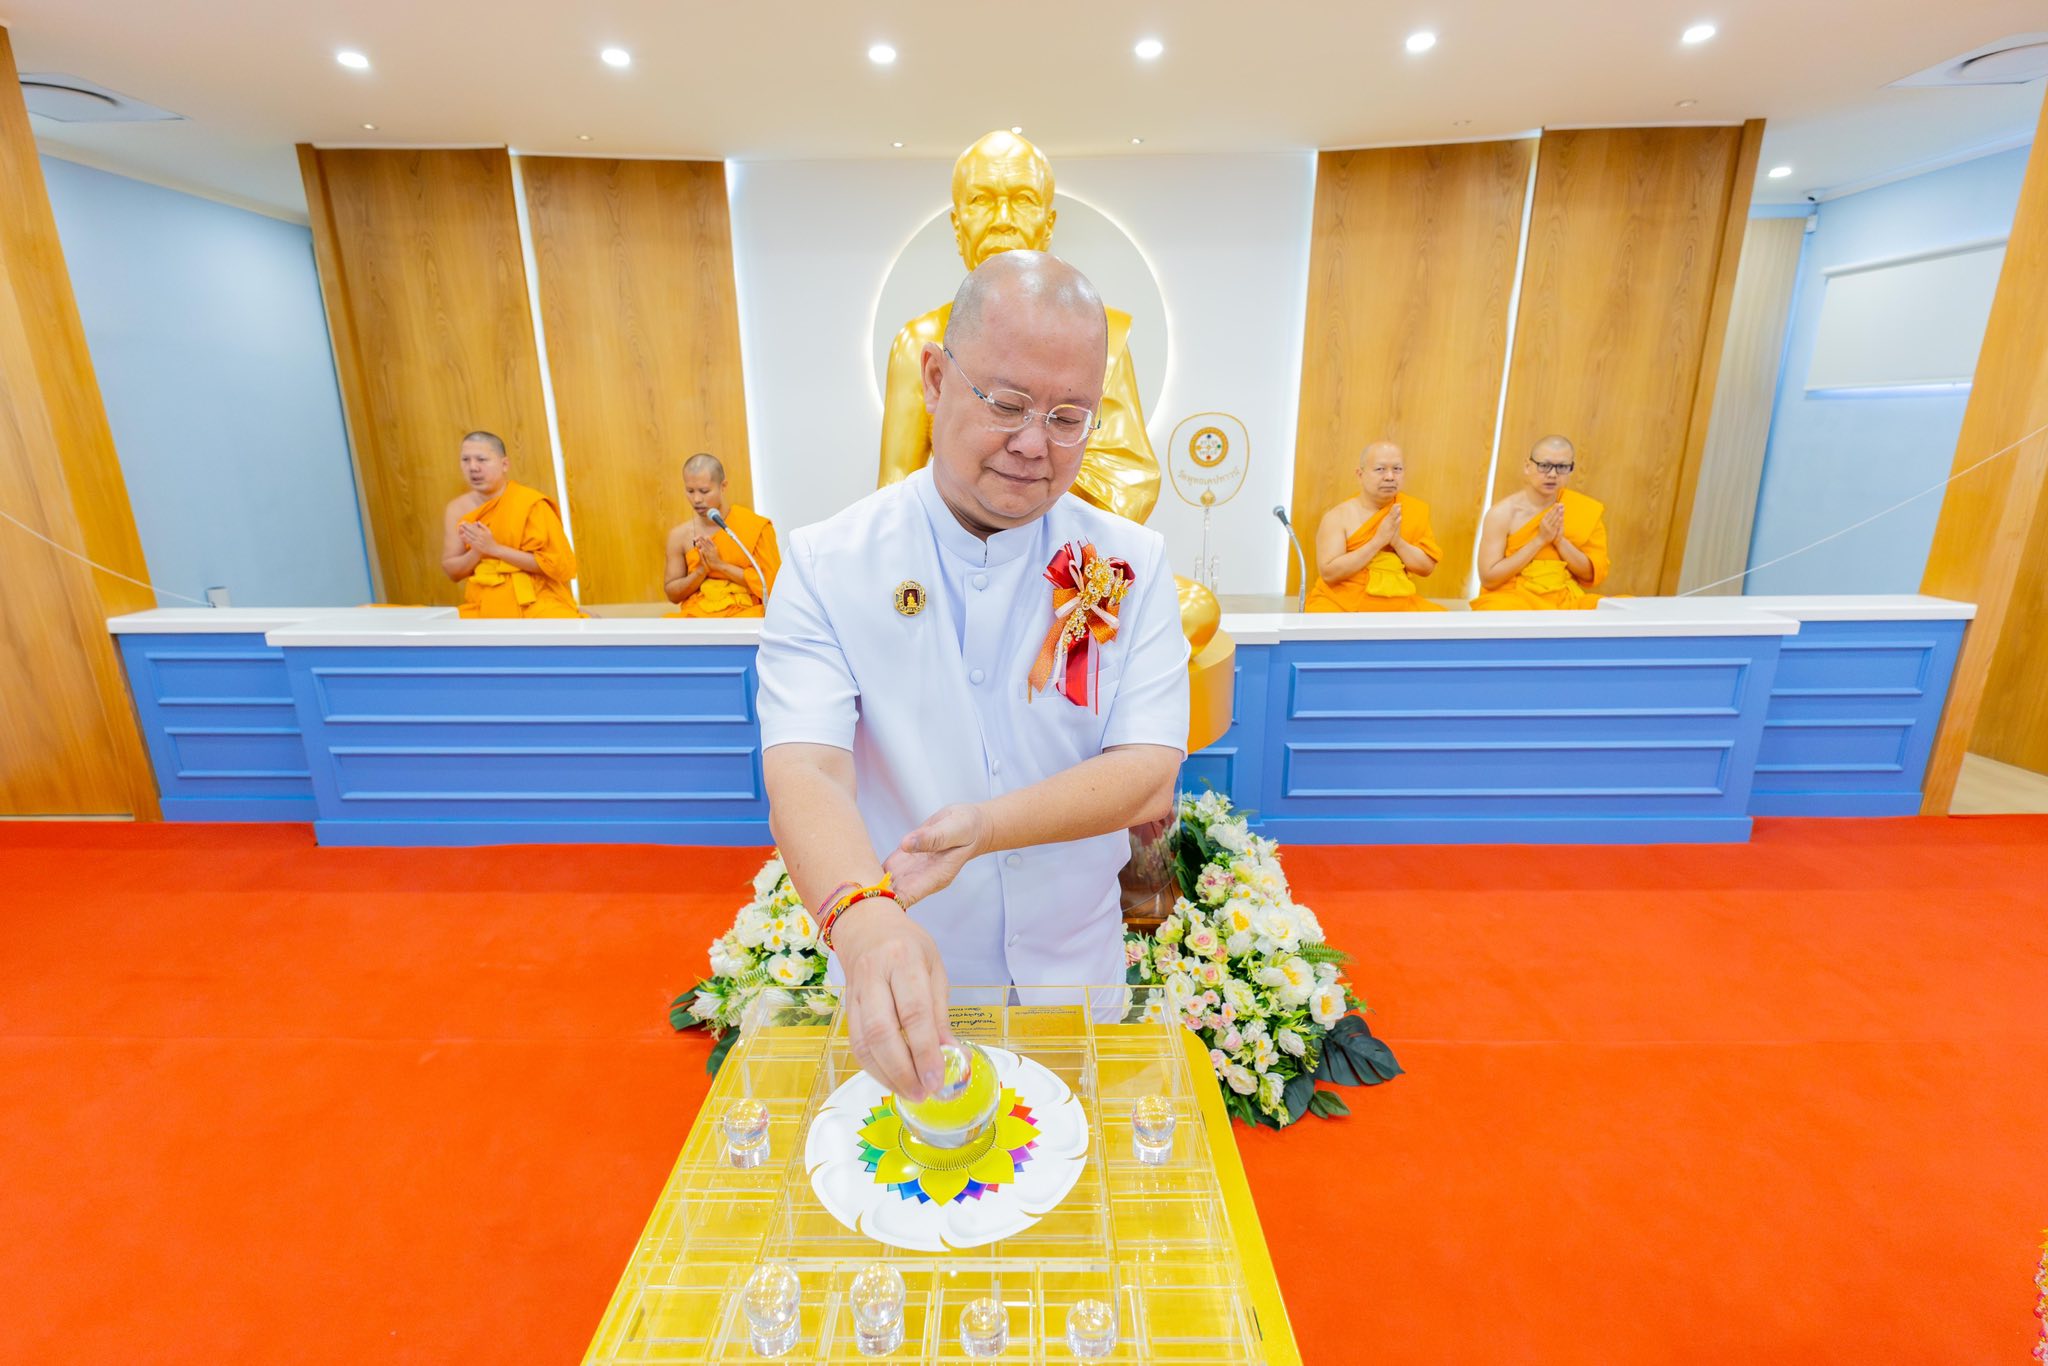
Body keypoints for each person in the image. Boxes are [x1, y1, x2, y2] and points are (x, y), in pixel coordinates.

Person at [758, 251, 1190, 1102]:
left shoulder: (1130, 562)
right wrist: (863, 918)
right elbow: (806, 766)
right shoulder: (825, 562)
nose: (1035, 445)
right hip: (913, 974)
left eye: (1070, 417)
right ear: (932, 379)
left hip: (1079, 976)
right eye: (1007, 403)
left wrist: (988, 827)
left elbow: (1147, 770)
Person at [876, 129, 1160, 524]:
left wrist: (1025, 497)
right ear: (958, 226)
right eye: (981, 201)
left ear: (1048, 224)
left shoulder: (1103, 339)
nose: (1003, 221)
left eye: (1023, 201)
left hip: (1065, 553)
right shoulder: (917, 341)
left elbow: (1131, 480)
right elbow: (895, 486)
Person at [439, 431, 581, 618]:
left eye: (481, 459)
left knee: (563, 628)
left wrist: (495, 549)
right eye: (465, 460)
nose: (473, 467)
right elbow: (453, 571)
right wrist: (477, 552)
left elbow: (558, 566)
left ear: (504, 464)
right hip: (485, 601)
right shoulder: (457, 509)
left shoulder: (530, 503)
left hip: (534, 598)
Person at [1471, 435, 1610, 610]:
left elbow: (1591, 574)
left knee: (1624, 607)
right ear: (1528, 466)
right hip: (1515, 597)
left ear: (1571, 469)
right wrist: (1539, 541)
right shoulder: (1503, 514)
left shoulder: (1583, 510)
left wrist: (1560, 541)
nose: (1552, 474)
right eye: (1544, 466)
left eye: (1562, 467)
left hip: (1564, 598)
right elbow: (1489, 578)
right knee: (1494, 614)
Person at [1304, 441, 1445, 612]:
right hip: (1341, 603)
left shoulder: (1413, 510)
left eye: (1397, 469)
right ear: (1360, 474)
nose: (1390, 477)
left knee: (1443, 625)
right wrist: (1377, 542)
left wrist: (1398, 542)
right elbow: (1329, 573)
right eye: (1380, 469)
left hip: (1398, 602)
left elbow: (1426, 568)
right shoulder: (1338, 516)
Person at [664, 453, 780, 617]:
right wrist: (700, 572)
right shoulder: (679, 536)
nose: (696, 499)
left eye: (704, 491)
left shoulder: (756, 527)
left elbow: (771, 587)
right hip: (698, 617)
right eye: (690, 491)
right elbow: (673, 594)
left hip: (745, 615)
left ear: (723, 486)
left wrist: (720, 566)